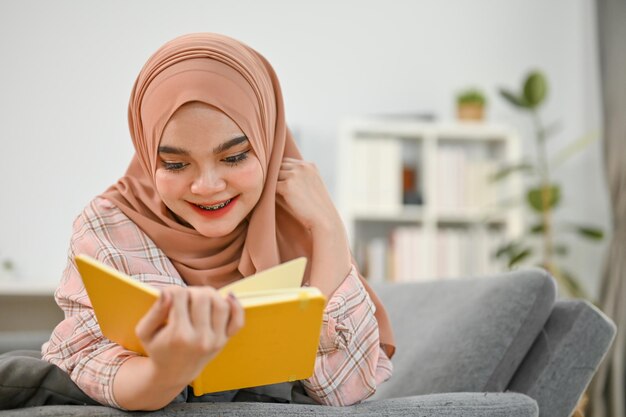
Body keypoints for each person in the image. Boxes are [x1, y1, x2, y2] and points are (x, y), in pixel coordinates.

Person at [41, 33, 395, 411]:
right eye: (175, 164)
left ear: (267, 140)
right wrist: (165, 371)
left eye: (235, 157)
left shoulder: (298, 223)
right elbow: (91, 363)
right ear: (146, 153)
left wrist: (329, 227)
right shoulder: (108, 227)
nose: (206, 186)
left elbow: (348, 387)